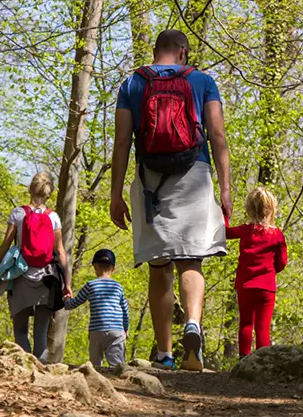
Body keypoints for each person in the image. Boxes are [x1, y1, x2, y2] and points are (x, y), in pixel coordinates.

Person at [110, 29, 232, 371]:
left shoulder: (133, 84)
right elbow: (218, 135)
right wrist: (225, 189)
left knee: (159, 266)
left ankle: (164, 354)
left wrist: (116, 194)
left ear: (154, 51)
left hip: (151, 181)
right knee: (191, 261)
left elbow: (122, 142)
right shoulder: (202, 81)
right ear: (184, 52)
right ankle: (192, 324)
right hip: (194, 174)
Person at [0, 172, 72, 360]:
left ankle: (26, 373)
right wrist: (67, 284)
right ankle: (41, 376)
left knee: (21, 332)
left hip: (20, 278)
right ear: (50, 193)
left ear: (30, 189)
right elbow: (61, 252)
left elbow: (4, 247)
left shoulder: (18, 214)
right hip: (46, 281)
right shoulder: (53, 217)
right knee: (40, 334)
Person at [225, 186, 287, 357]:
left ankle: (244, 358)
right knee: (262, 327)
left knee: (246, 323)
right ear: (272, 209)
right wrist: (271, 270)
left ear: (249, 209)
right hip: (266, 288)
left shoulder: (246, 230)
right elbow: (282, 263)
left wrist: (225, 213)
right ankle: (261, 361)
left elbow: (226, 232)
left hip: (245, 285)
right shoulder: (277, 235)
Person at [63, 249, 129, 368]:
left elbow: (73, 304)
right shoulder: (118, 287)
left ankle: (96, 383)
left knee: (95, 366)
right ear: (113, 268)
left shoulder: (91, 285)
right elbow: (125, 310)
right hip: (117, 331)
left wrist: (67, 300)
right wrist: (126, 328)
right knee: (118, 365)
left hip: (96, 330)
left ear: (95, 266)